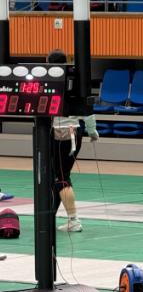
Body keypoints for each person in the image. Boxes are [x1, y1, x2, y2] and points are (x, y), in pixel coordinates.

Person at [47, 49, 99, 233]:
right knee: (59, 176)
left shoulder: (54, 82)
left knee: (61, 178)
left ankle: (74, 220)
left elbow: (86, 109)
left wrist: (92, 131)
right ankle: (51, 215)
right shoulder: (75, 82)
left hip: (62, 135)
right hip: (74, 134)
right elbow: (88, 111)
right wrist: (92, 131)